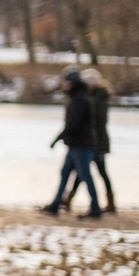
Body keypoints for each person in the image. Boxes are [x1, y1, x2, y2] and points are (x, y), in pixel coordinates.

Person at [41, 68, 101, 219]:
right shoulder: (78, 98)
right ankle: (55, 205)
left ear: (72, 83)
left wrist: (58, 138)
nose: (63, 84)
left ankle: (95, 208)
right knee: (65, 174)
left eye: (65, 82)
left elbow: (73, 125)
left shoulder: (79, 100)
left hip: (81, 146)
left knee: (85, 177)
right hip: (76, 145)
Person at [64, 67, 115, 214]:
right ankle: (68, 200)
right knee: (82, 173)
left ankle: (109, 203)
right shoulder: (93, 97)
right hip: (93, 141)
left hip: (97, 142)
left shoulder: (98, 99)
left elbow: (98, 123)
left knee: (99, 172)